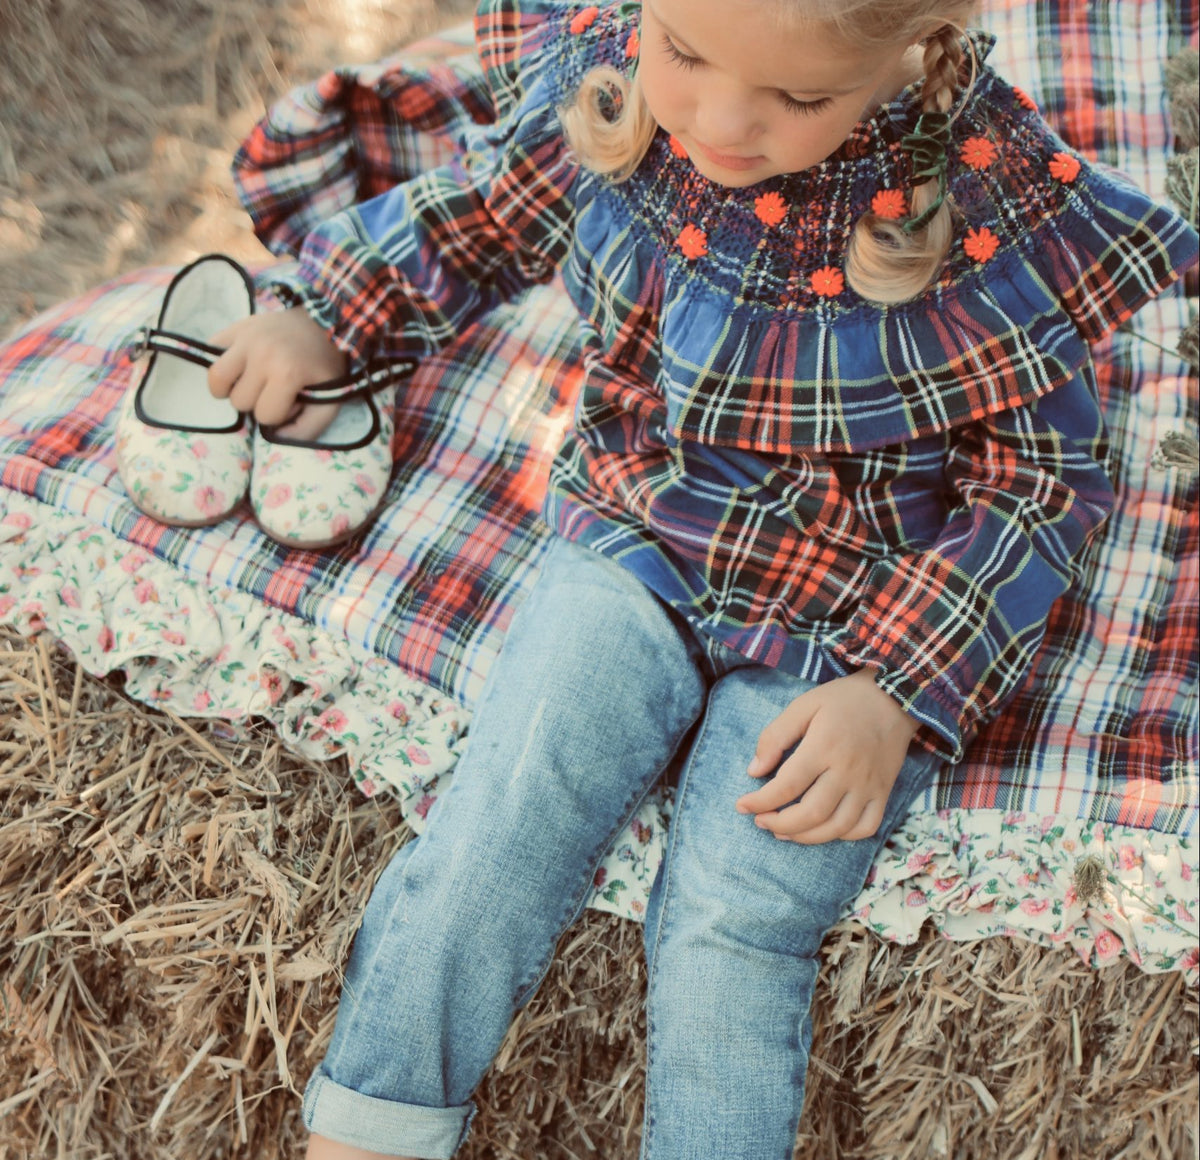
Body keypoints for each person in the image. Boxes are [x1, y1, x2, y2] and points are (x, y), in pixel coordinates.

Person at [201, 0, 1198, 1156]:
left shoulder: (968, 193)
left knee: (735, 915)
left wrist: (895, 691)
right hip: (641, 533)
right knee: (506, 812)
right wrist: (330, 318)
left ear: (914, 53)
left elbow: (1042, 485)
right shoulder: (612, 94)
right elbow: (469, 224)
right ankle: (370, 1128)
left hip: (857, 612)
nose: (722, 119)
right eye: (686, 52)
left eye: (800, 98)